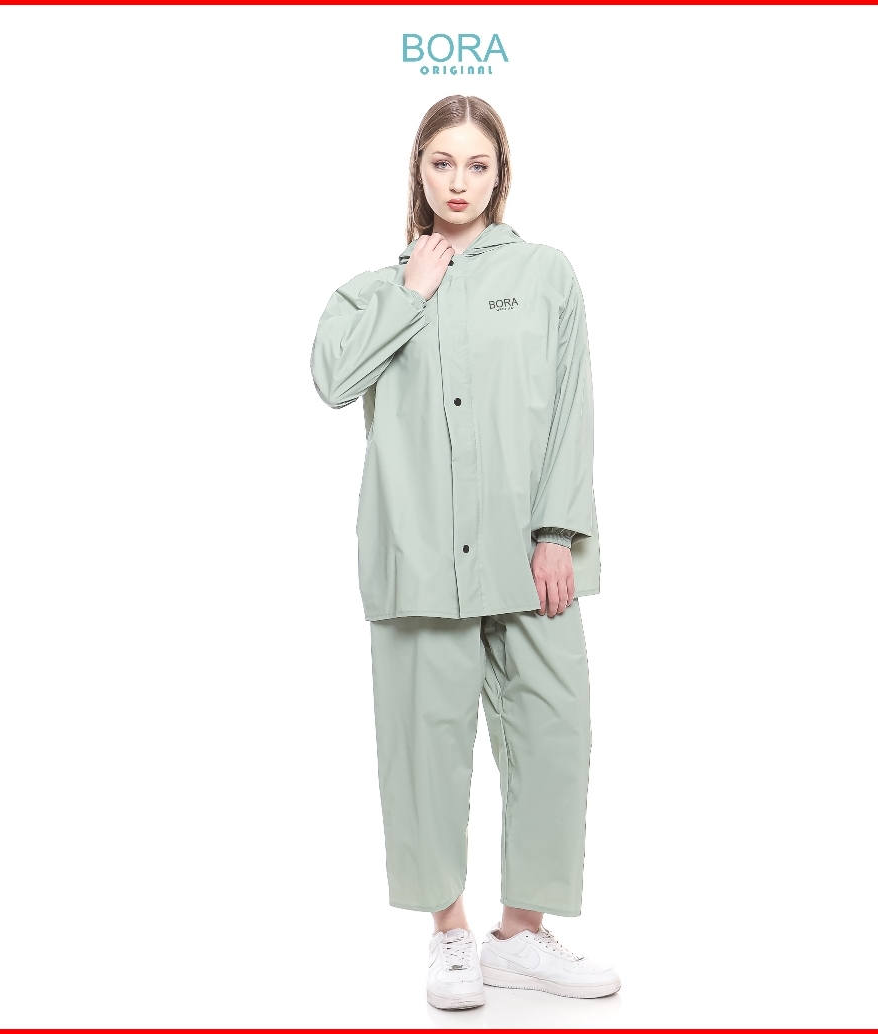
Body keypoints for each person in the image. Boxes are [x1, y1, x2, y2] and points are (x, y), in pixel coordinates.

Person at [310, 94, 619, 1010]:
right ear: (419, 169)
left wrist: (556, 532)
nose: (458, 181)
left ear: (499, 174)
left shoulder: (546, 274)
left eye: (476, 164)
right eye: (442, 162)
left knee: (556, 735)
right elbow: (332, 379)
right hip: (416, 561)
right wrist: (410, 294)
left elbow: (571, 406)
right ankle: (449, 933)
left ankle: (520, 936)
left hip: (527, 562)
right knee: (423, 749)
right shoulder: (372, 289)